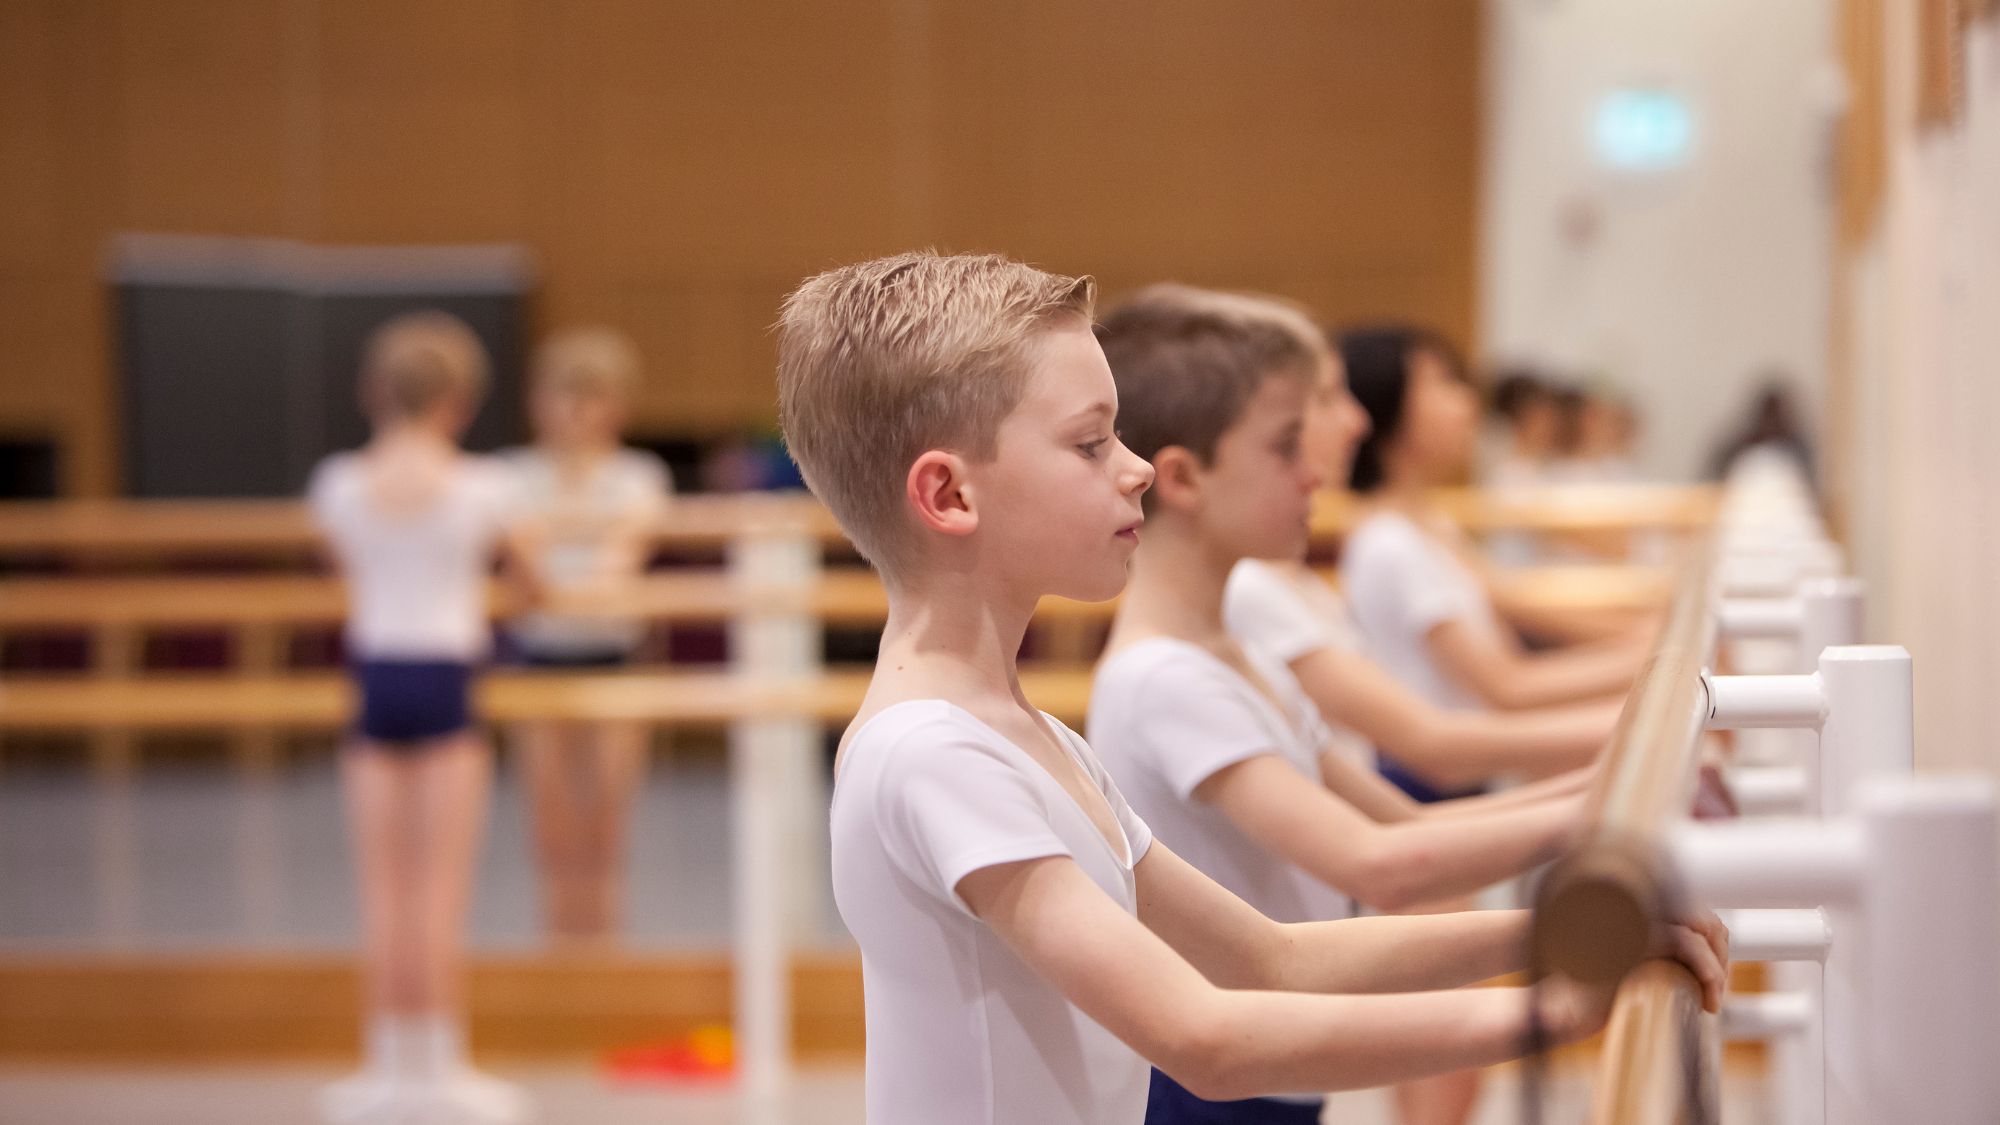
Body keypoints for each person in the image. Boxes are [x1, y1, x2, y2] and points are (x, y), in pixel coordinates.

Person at [777, 251, 1725, 1125]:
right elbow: (1205, 1036)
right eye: (1090, 445)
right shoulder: (935, 754)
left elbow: (1274, 955)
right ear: (949, 496)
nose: (1137, 465)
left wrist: (1568, 932)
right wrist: (1546, 1012)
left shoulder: (1035, 738)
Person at [1089, 286, 1618, 1124]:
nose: (1317, 470)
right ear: (1185, 477)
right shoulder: (1166, 680)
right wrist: (1602, 819)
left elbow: (1405, 828)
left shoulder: (1245, 653)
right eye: (1286, 444)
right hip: (1206, 1086)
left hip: (1274, 1070)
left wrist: (1612, 787)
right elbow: (1376, 863)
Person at [308, 312, 537, 1125]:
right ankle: (441, 1068)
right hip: (445, 677)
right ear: (461, 401)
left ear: (374, 392)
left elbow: (339, 561)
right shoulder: (486, 486)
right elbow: (527, 580)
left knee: (384, 891)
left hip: (374, 676)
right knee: (440, 891)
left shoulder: (336, 482)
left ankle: (385, 1068)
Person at [499, 327, 673, 943]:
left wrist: (561, 574)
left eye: (591, 396)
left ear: (616, 407)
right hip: (537, 659)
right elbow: (533, 569)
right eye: (562, 395)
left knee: (605, 831)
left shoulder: (638, 476)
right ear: (536, 402)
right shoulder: (508, 476)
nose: (575, 411)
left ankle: (604, 960)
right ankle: (559, 963)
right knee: (551, 833)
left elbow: (618, 562)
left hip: (614, 659)